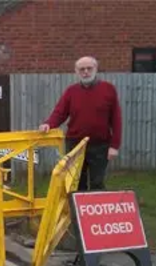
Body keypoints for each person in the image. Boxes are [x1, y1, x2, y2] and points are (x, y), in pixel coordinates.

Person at [39, 56, 122, 191]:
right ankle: (77, 212)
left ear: (96, 69)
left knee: (97, 182)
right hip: (75, 145)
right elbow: (60, 112)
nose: (86, 72)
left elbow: (116, 119)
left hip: (100, 145)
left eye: (89, 68)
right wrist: (49, 124)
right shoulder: (71, 91)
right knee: (76, 182)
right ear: (76, 72)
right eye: (82, 69)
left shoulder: (108, 89)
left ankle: (95, 210)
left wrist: (115, 146)